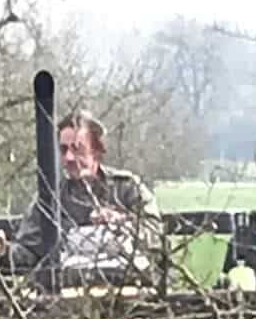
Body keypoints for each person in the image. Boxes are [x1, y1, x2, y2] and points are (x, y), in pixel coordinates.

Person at [10, 109, 159, 276]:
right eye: (63, 149)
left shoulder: (126, 188)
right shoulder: (51, 197)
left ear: (97, 150)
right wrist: (2, 252)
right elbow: (29, 248)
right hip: (65, 291)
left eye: (77, 149)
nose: (69, 158)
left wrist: (122, 223)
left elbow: (155, 234)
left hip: (126, 286)